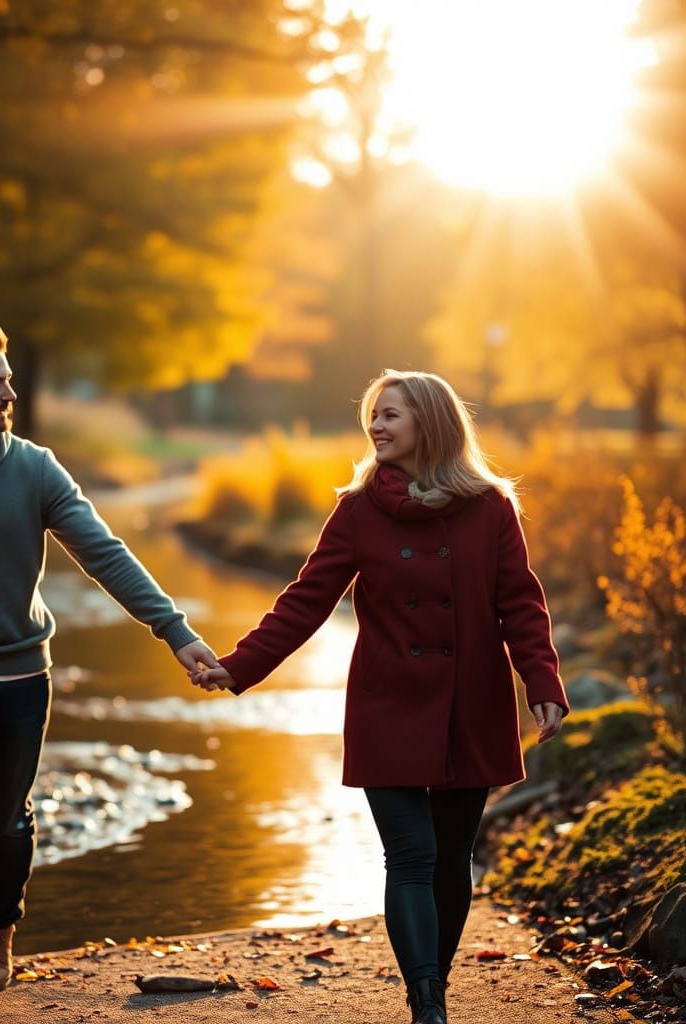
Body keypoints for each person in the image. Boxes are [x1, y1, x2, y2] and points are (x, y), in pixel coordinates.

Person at [0, 321, 219, 1018]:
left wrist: (175, 632)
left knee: (10, 822)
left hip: (22, 674)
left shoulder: (36, 468)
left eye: (9, 378)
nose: (10, 391)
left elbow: (105, 553)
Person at [190, 370, 567, 1024]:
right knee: (411, 855)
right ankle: (428, 1008)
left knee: (452, 859)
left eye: (391, 415)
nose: (377, 426)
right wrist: (237, 666)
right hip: (388, 705)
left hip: (469, 705)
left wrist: (542, 681)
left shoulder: (490, 506)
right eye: (374, 415)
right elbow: (305, 601)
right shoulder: (359, 508)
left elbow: (520, 604)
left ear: (432, 422)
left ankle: (434, 987)